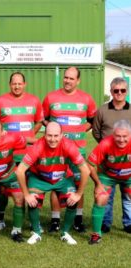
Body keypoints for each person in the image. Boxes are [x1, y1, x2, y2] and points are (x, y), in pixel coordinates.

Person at [16, 122, 90, 245]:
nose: (53, 139)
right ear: (44, 135)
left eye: (56, 136)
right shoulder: (37, 146)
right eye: (49, 135)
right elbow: (20, 171)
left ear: (62, 135)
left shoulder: (69, 145)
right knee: (33, 200)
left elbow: (85, 170)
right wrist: (26, 195)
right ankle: (36, 232)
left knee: (72, 200)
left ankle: (65, 233)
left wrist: (78, 194)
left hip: (62, 178)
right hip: (39, 178)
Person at [42, 66, 97, 233]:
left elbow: (92, 120)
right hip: (56, 151)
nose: (67, 80)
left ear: (78, 80)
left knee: (79, 182)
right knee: (56, 183)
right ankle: (55, 220)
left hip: (78, 149)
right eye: (66, 77)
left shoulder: (87, 99)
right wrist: (53, 131)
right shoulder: (51, 97)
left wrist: (81, 129)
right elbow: (43, 119)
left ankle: (78, 219)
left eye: (71, 78)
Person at [0, 71, 43, 233]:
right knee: (3, 187)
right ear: (10, 84)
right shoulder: (0, 101)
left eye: (20, 83)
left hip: (28, 153)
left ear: (24, 84)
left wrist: (29, 136)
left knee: (30, 187)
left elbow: (39, 121)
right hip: (7, 153)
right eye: (14, 83)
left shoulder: (34, 101)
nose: (17, 86)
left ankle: (32, 220)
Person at [92, 77, 131, 234]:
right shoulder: (102, 110)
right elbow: (96, 131)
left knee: (128, 196)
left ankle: (128, 223)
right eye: (116, 90)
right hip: (107, 162)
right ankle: (105, 223)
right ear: (111, 91)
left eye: (122, 90)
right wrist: (106, 148)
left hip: (127, 162)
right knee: (106, 194)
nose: (119, 93)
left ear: (126, 91)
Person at [87, 120, 131, 244]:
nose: (121, 139)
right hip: (107, 176)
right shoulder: (105, 144)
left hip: (129, 176)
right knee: (101, 197)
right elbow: (90, 165)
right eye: (118, 136)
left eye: (125, 136)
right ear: (113, 134)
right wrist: (98, 184)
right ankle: (96, 234)